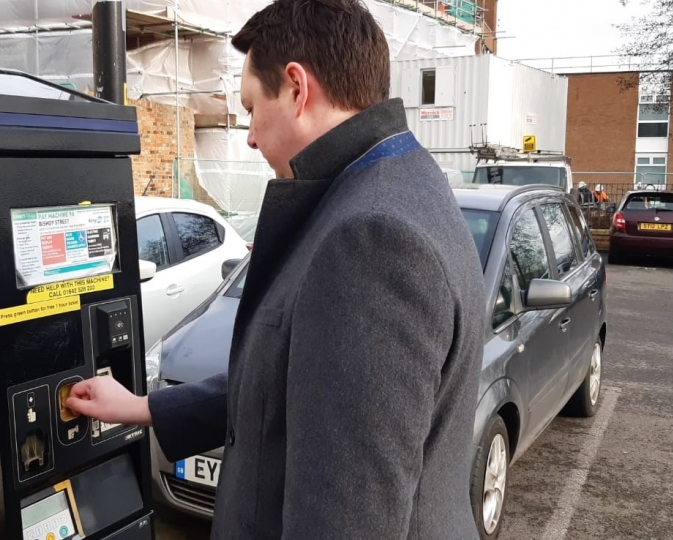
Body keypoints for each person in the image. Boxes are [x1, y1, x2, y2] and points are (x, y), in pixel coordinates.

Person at [66, 0, 486, 538]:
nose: (249, 135)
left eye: (249, 108)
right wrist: (146, 407)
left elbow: (345, 521)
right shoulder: (400, 180)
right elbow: (291, 384)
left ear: (295, 88)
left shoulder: (369, 238)